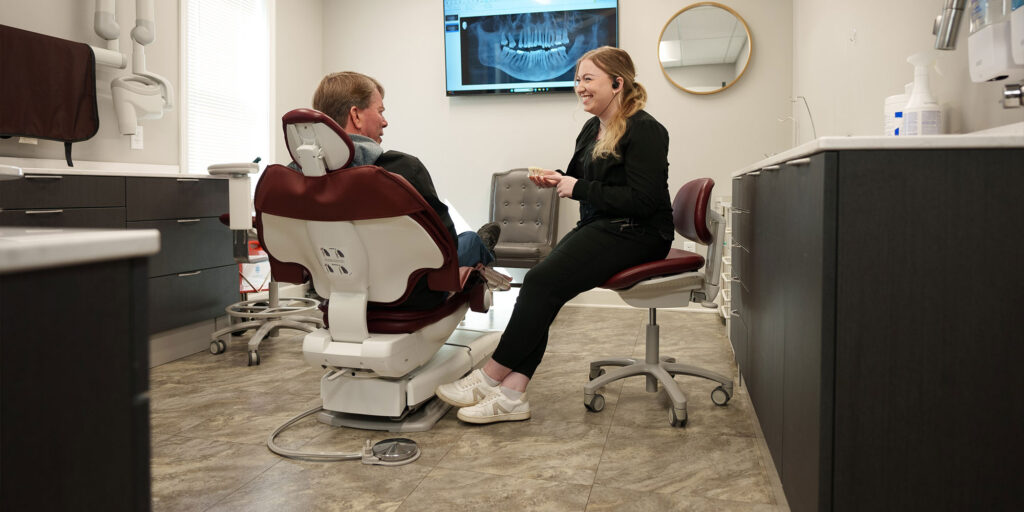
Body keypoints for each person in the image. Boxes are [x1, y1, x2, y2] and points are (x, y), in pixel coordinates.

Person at [436, 46, 674, 424]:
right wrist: (557, 178)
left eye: (588, 79)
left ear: (617, 83)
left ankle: (490, 377)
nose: (579, 87)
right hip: (602, 225)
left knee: (539, 282)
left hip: (638, 232)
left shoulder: (645, 129)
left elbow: (644, 201)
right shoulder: (592, 128)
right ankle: (512, 396)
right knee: (545, 289)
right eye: (577, 79)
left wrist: (577, 187)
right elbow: (580, 178)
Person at [307, 71, 504, 309]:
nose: (385, 122)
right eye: (380, 111)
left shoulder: (300, 179)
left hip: (334, 291)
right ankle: (483, 250)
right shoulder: (402, 170)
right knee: (469, 241)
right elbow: (446, 248)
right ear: (356, 115)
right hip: (411, 293)